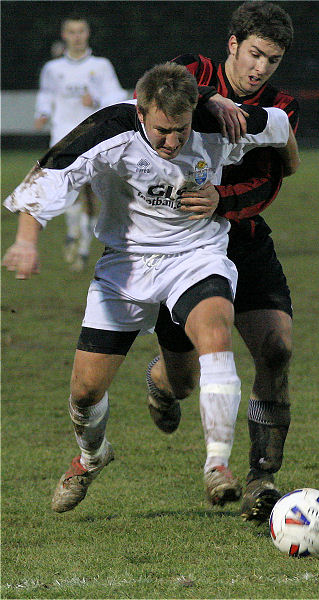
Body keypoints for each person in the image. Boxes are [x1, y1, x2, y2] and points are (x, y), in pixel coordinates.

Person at [3, 62, 297, 513]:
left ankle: (217, 465)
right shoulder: (109, 127)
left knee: (216, 340)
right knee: (84, 392)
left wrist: (291, 160)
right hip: (126, 266)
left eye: (181, 131)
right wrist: (26, 241)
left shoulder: (218, 119)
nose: (173, 141)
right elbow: (50, 172)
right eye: (162, 130)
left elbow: (279, 126)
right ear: (141, 112)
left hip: (196, 256)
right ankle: (92, 456)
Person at [145, 1, 300, 522]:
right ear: (233, 44)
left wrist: (223, 200)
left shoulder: (281, 106)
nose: (261, 68)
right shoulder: (198, 72)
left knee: (276, 349)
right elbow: (168, 82)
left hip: (243, 235)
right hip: (185, 246)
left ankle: (262, 478)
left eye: (272, 60)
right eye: (255, 53)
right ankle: (163, 381)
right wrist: (213, 100)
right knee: (184, 380)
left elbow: (272, 178)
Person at [34, 16, 128, 271]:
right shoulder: (53, 69)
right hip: (62, 137)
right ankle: (74, 232)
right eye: (72, 32)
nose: (77, 36)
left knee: (91, 193)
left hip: (92, 138)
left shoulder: (101, 66)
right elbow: (46, 94)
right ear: (64, 35)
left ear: (87, 33)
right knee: (67, 192)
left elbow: (116, 95)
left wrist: (96, 98)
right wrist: (41, 113)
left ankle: (84, 246)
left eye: (81, 31)